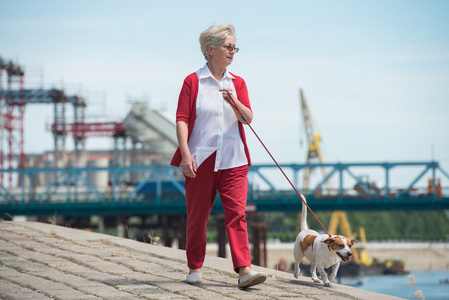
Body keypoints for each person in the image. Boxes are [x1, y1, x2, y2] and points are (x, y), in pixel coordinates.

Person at [170, 23, 267, 289]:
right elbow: (181, 121)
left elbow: (247, 118)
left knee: (237, 214)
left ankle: (244, 270)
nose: (232, 52)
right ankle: (195, 268)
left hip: (235, 159)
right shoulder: (192, 81)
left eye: (235, 47)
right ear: (210, 49)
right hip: (201, 158)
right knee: (198, 215)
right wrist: (186, 155)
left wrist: (233, 101)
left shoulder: (238, 83)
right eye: (228, 47)